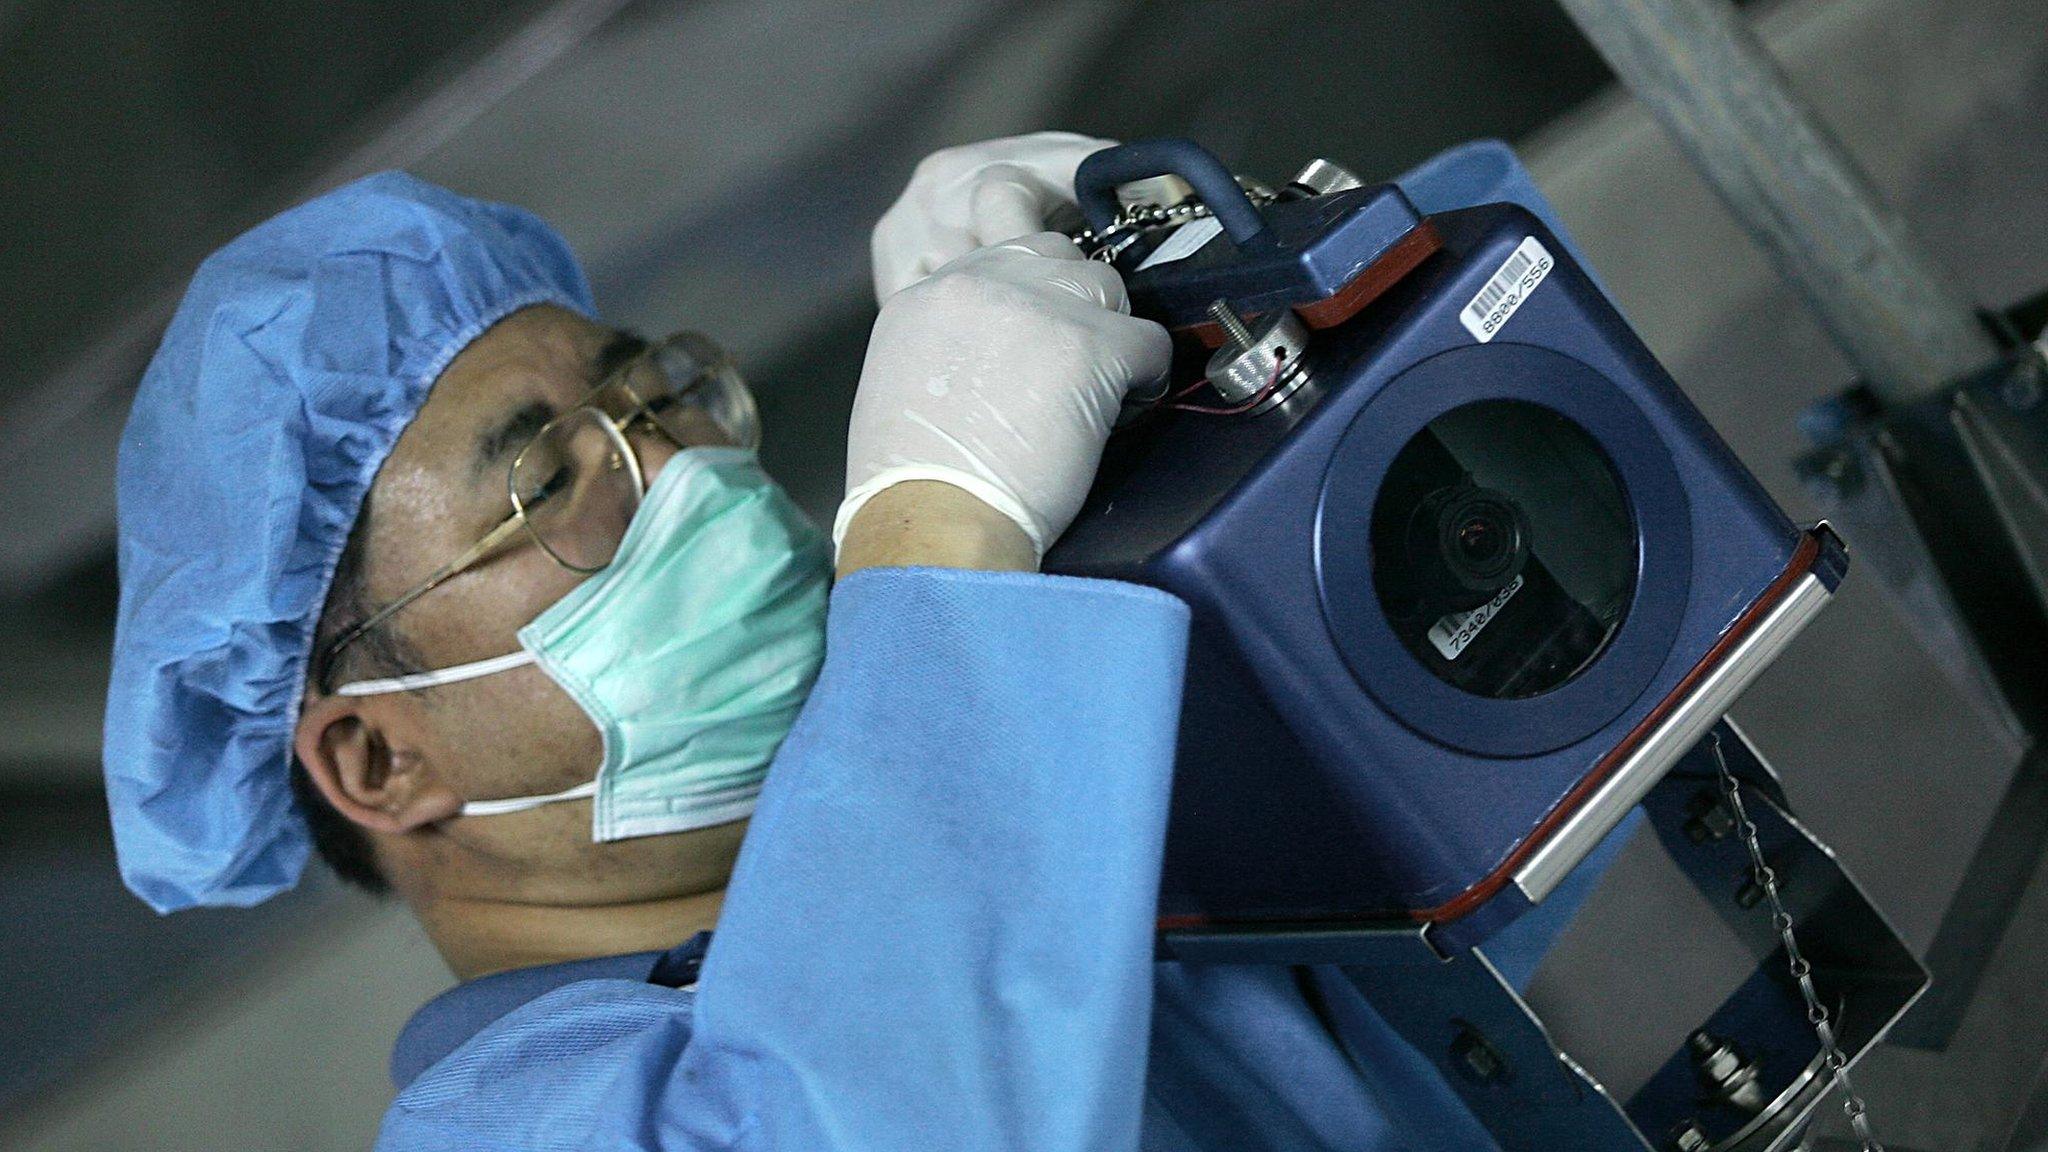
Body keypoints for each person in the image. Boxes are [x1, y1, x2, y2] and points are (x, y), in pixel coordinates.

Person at [104, 132, 1617, 1149]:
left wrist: (1210, 304)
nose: (685, 473)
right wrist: (937, 540)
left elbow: (1583, 597)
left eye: (655, 398)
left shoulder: (1061, 805)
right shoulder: (508, 1126)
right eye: (551, 481)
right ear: (379, 756)